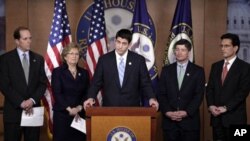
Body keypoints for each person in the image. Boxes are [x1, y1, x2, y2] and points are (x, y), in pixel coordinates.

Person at [83, 29, 158, 110]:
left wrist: (152, 98)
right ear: (115, 41)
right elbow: (96, 83)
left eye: (124, 43)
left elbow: (145, 83)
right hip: (110, 108)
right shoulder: (104, 60)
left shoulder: (138, 60)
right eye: (118, 42)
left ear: (129, 44)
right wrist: (90, 98)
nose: (120, 46)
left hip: (132, 109)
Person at [0, 26, 47, 141]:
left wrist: (32, 100)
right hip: (13, 113)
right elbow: (4, 85)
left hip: (33, 112)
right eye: (25, 39)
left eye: (30, 38)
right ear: (17, 41)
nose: (29, 41)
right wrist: (21, 102)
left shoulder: (38, 59)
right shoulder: (5, 59)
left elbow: (42, 84)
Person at [158, 39, 205, 141]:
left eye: (183, 50)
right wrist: (167, 112)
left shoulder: (198, 71)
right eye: (177, 49)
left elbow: (199, 95)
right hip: (170, 123)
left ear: (189, 52)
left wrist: (187, 112)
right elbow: (161, 94)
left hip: (190, 123)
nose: (179, 52)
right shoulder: (166, 70)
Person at [206, 33, 250, 141]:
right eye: (221, 46)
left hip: (236, 119)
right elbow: (210, 88)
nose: (222, 49)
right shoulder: (215, 66)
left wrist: (225, 108)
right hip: (217, 119)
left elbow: (243, 92)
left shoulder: (245, 67)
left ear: (235, 48)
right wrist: (211, 106)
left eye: (226, 46)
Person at [51, 43, 89, 141]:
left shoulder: (84, 73)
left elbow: (86, 93)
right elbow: (57, 93)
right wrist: (69, 109)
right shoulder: (57, 72)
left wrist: (79, 107)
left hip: (79, 115)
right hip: (62, 115)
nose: (74, 56)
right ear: (65, 56)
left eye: (76, 54)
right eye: (71, 53)